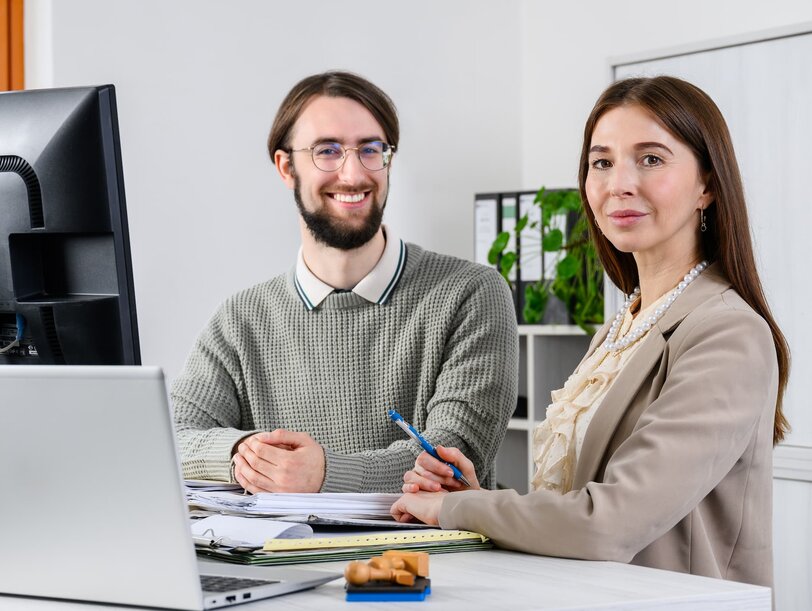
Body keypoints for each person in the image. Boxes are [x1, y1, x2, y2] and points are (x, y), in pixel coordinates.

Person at [391, 75, 790, 588]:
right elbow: (574, 501)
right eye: (601, 162)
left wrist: (461, 510)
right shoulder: (624, 326)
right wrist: (469, 494)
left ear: (707, 186)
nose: (619, 183)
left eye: (651, 159)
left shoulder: (727, 333)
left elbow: (609, 524)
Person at [171, 71, 518, 494]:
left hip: (423, 560)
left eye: (371, 150)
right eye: (327, 151)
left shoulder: (471, 294)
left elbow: (454, 457)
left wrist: (322, 475)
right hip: (282, 559)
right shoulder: (240, 319)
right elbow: (173, 437)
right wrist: (250, 455)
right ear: (286, 167)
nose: (353, 175)